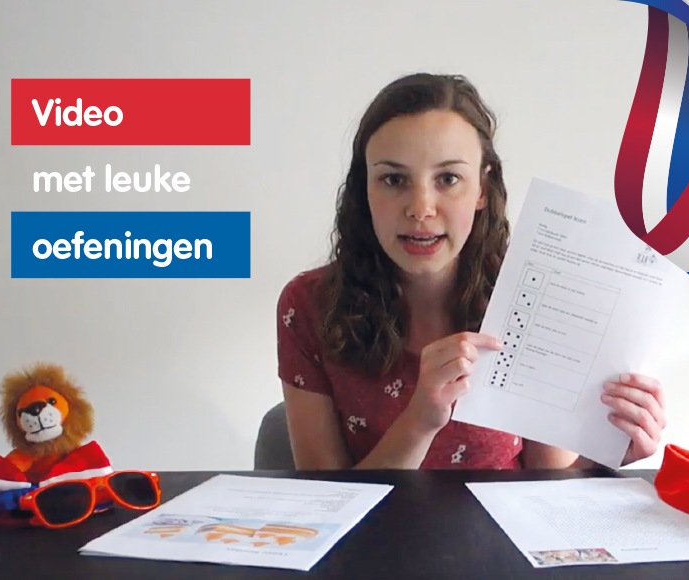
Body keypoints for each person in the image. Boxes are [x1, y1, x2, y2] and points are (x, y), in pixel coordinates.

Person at [277, 73, 666, 470]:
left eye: (448, 179)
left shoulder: (531, 296)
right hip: (375, 517)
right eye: (393, 179)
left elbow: (547, 476)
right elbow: (323, 496)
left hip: (505, 515)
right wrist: (419, 422)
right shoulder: (308, 306)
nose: (421, 209)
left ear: (481, 188)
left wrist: (607, 456)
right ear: (365, 189)